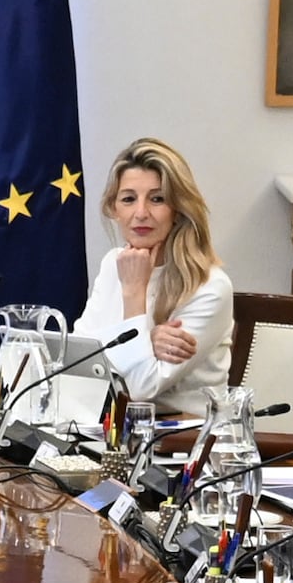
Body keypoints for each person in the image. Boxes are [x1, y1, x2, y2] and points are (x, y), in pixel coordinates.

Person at [92, 139, 236, 423]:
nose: (141, 213)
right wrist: (146, 340)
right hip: (112, 430)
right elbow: (78, 362)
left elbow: (140, 389)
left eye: (157, 199)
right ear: (114, 208)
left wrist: (134, 292)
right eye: (129, 199)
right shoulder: (114, 263)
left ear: (179, 209)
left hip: (184, 443)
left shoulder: (210, 287)